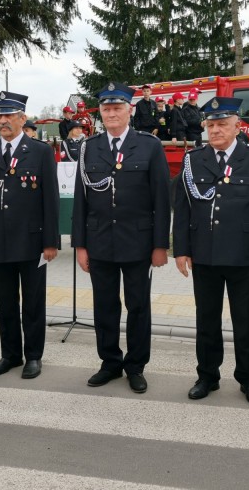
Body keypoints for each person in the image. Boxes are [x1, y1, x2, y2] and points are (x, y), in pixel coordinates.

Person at [173, 96, 249, 406]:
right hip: (204, 253)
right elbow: (182, 209)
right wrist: (181, 249)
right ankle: (207, 375)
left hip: (244, 255)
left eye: (222, 124)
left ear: (237, 126)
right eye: (211, 124)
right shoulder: (194, 160)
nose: (215, 130)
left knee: (245, 321)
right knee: (206, 319)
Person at [72, 82, 170, 394]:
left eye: (118, 107)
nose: (112, 113)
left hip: (138, 243)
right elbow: (80, 201)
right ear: (100, 113)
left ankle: (136, 366)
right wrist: (80, 245)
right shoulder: (90, 147)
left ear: (129, 109)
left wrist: (159, 246)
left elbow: (161, 201)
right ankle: (110, 362)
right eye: (106, 108)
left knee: (138, 306)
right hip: (100, 241)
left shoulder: (149, 146)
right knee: (105, 305)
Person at [0, 91, 60, 380]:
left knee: (33, 303)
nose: (3, 120)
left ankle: (33, 356)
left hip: (33, 242)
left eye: (9, 115)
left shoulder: (40, 152)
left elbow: (51, 199)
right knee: (5, 302)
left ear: (23, 119)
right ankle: (10, 354)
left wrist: (51, 241)